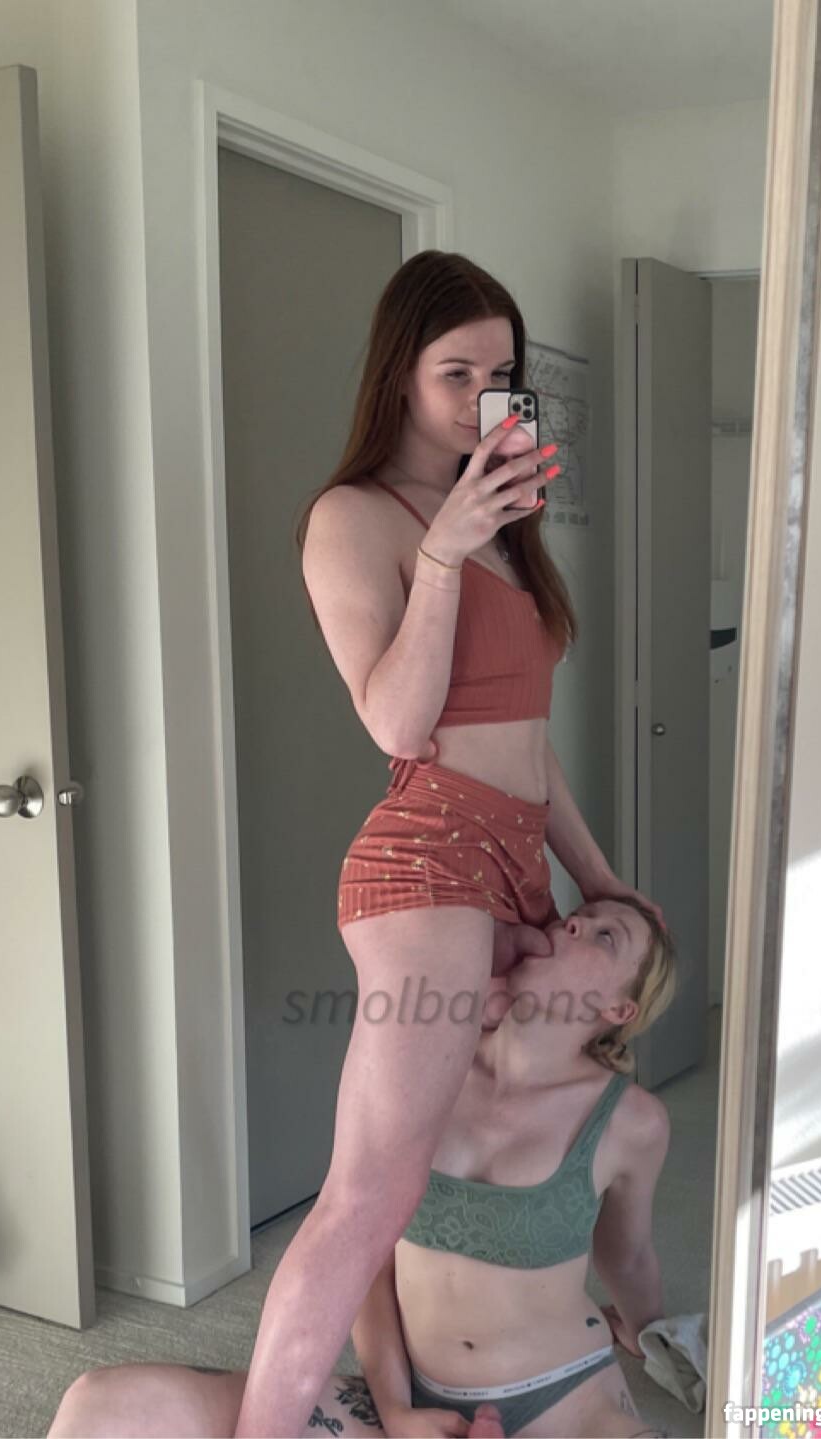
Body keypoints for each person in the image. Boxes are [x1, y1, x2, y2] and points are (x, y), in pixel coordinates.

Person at [234, 252, 667, 1433]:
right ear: (399, 376)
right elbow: (395, 721)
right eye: (454, 372)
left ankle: (459, 1365)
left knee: (451, 1151)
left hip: (515, 860)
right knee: (370, 1189)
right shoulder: (353, 517)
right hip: (426, 858)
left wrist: (599, 874)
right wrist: (441, 552)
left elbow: (524, 737)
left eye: (501, 372)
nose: (482, 394)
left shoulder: (504, 516)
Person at [49, 898, 677, 1439]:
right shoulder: (417, 1067)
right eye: (577, 916)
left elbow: (628, 1257)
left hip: (564, 1401)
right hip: (410, 1401)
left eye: (606, 937)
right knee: (99, 1406)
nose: (573, 925)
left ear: (622, 1009)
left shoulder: (631, 1121)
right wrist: (396, 1411)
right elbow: (361, 1259)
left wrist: (654, 1332)